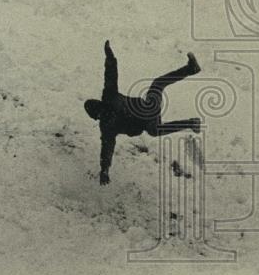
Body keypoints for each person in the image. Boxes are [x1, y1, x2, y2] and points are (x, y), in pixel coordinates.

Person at [85, 40, 202, 185]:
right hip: (149, 108)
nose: (103, 113)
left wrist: (105, 170)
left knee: (154, 129)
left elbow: (107, 148)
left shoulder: (106, 124)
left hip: (148, 115)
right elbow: (110, 75)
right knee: (158, 84)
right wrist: (109, 56)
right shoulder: (108, 99)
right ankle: (191, 70)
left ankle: (191, 122)